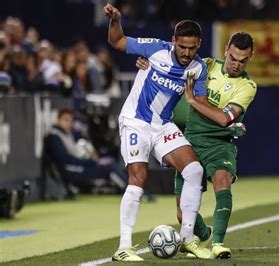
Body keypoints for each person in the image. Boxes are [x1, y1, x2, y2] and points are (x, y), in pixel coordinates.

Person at [103, 3, 213, 261]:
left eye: (192, 48)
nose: (186, 53)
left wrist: (227, 119)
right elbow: (117, 40)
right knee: (138, 177)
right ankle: (124, 246)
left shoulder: (198, 69)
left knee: (195, 170)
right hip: (135, 122)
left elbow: (201, 103)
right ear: (173, 40)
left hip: (162, 125)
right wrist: (116, 19)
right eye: (182, 46)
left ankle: (187, 239)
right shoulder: (155, 48)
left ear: (199, 45)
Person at [137, 31, 256, 259]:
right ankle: (205, 234)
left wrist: (193, 101)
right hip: (190, 141)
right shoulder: (206, 66)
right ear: (225, 51)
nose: (236, 65)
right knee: (183, 214)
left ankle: (218, 244)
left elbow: (223, 118)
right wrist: (148, 64)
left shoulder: (247, 86)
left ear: (250, 57)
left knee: (223, 181)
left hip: (220, 144)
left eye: (243, 61)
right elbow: (171, 64)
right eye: (232, 58)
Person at [44, 108, 128, 192]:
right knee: (109, 167)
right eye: (65, 120)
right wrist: (90, 162)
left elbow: (81, 147)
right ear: (58, 120)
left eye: (70, 120)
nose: (68, 123)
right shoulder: (54, 136)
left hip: (79, 167)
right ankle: (127, 190)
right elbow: (64, 158)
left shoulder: (68, 134)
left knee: (110, 161)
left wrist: (92, 158)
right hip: (71, 170)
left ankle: (130, 187)